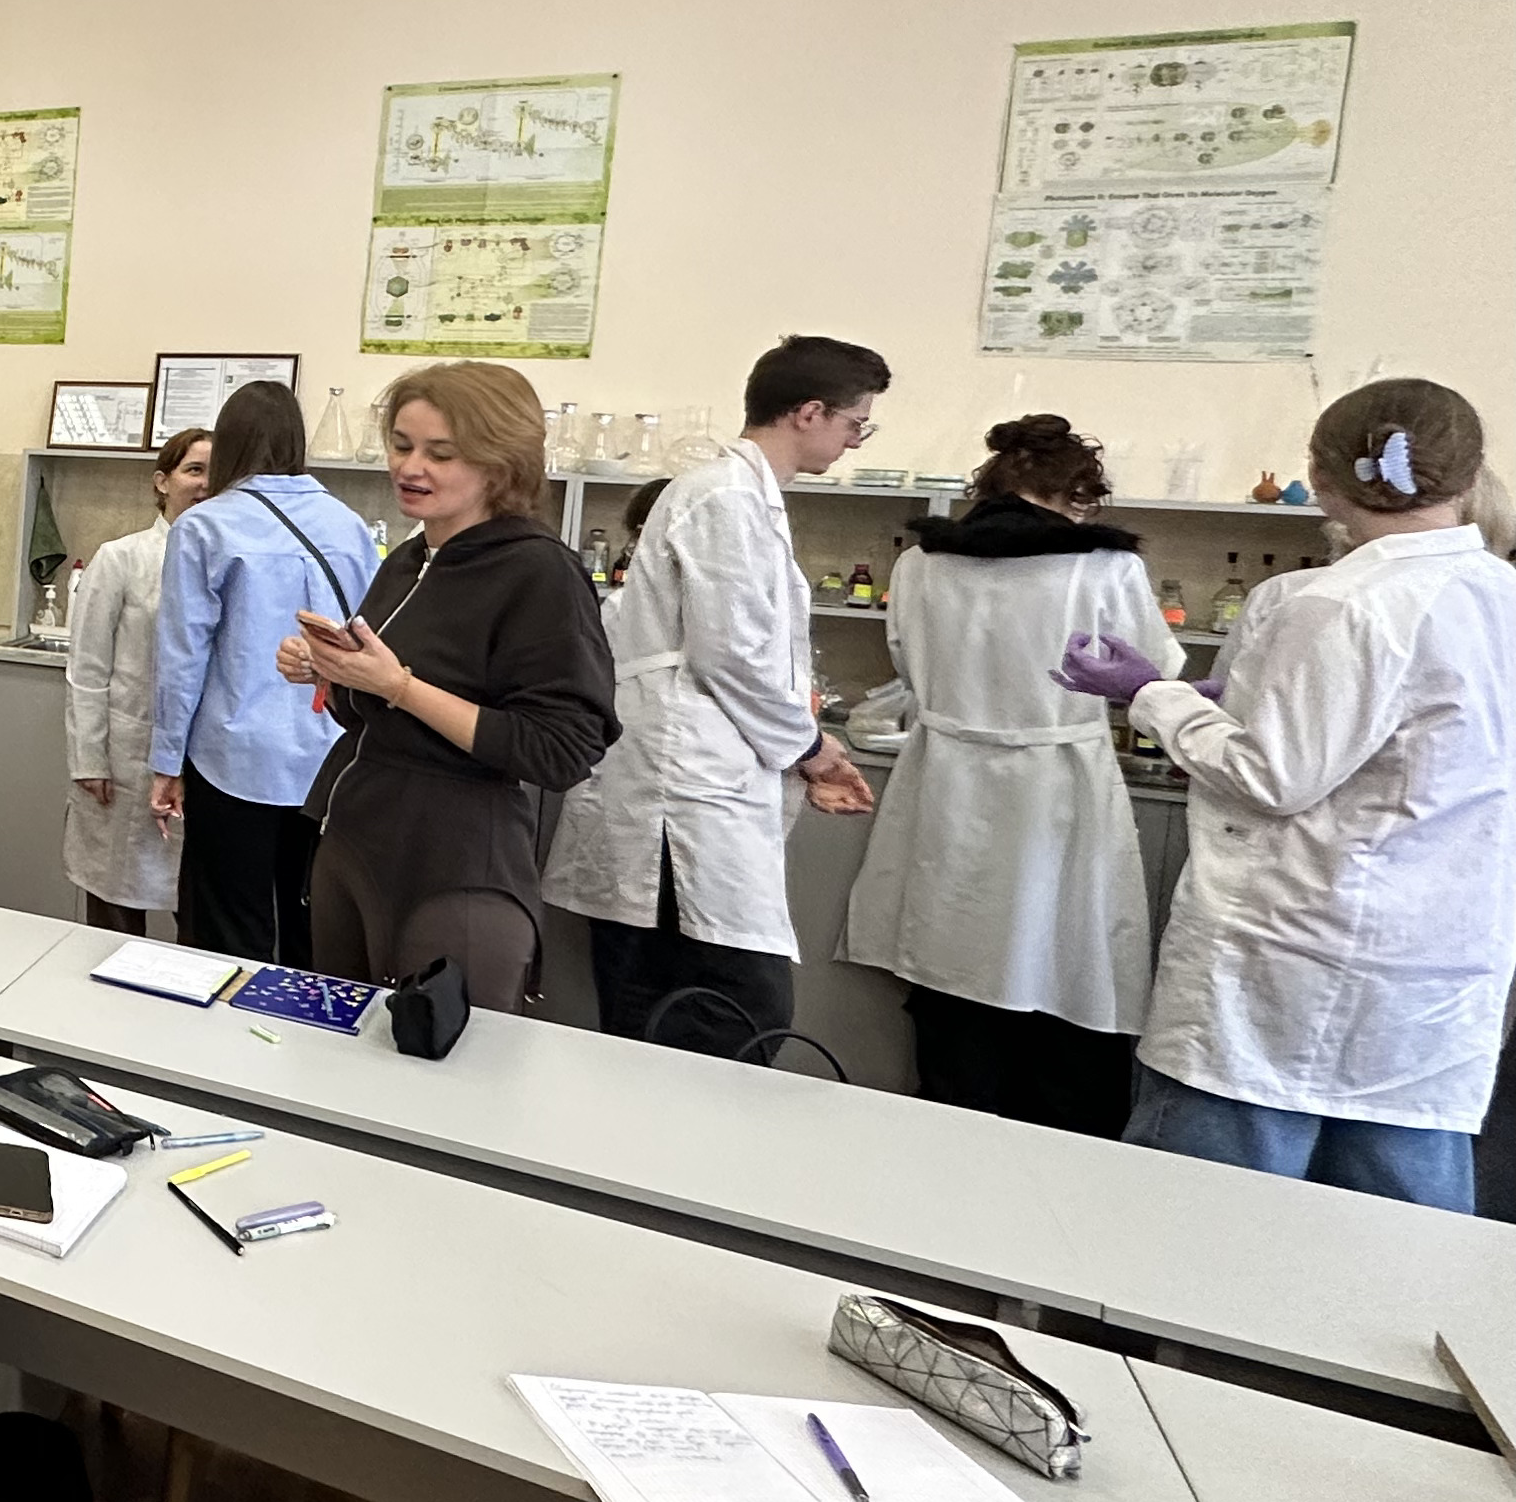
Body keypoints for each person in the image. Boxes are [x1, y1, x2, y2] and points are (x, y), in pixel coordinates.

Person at [1056, 379, 1516, 1208]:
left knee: (1197, 1216)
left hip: (1292, 954)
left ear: (1322, 479)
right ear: (1470, 472)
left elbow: (1272, 777)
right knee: (1400, 1230)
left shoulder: (1342, 603)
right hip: (1435, 967)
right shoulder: (1498, 596)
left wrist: (1150, 693)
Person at [842, 415, 1179, 1132]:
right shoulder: (1104, 566)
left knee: (951, 960)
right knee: (1064, 964)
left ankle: (952, 1124)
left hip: (948, 780)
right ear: (1075, 493)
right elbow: (1154, 672)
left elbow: (905, 660)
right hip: (1058, 784)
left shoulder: (920, 563)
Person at [549, 337, 887, 1045]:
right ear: (809, 412)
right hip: (680, 795)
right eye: (855, 423)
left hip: (697, 784)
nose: (856, 441)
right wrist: (811, 749)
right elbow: (731, 653)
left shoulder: (746, 498)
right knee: (732, 1007)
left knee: (696, 1003)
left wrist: (801, 748)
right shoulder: (723, 497)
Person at [283, 362, 617, 1007]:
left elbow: (561, 749)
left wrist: (400, 686)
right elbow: (372, 714)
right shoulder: (410, 560)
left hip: (456, 859)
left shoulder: (539, 572)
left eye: (441, 454)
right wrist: (334, 671)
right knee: (334, 1049)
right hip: (354, 837)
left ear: (500, 465)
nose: (411, 467)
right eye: (401, 445)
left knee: (440, 1055)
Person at [150, 381, 378, 962]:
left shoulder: (204, 526)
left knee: (226, 934)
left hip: (232, 758)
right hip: (329, 757)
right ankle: (302, 1020)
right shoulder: (349, 525)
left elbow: (183, 656)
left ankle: (226, 1024)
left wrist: (167, 762)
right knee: (313, 930)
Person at [64, 428, 207, 933]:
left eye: (217, 474)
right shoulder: (121, 558)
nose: (205, 484)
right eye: (194, 470)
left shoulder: (227, 560)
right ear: (162, 481)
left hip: (200, 767)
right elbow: (87, 667)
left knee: (200, 911)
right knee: (116, 903)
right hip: (126, 761)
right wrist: (89, 758)